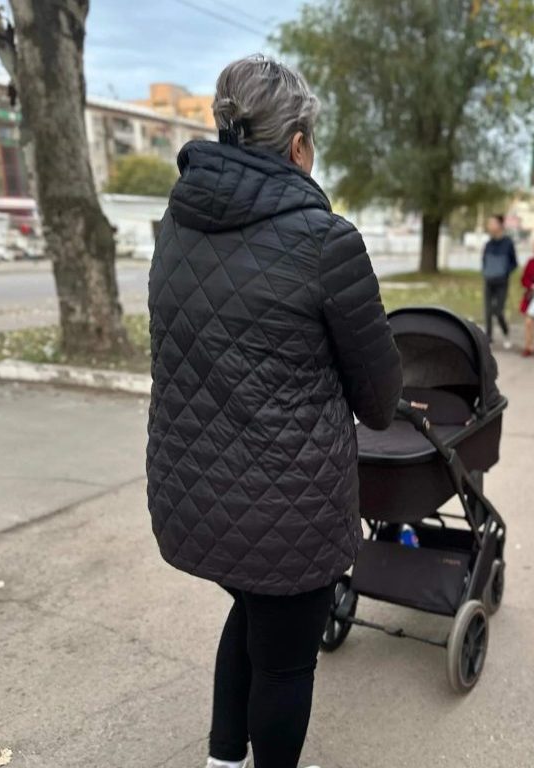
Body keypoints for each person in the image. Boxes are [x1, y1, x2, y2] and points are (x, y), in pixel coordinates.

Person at [146, 55, 403, 768]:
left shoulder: (175, 225)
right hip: (289, 506)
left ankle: (225, 759)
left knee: (252, 608)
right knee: (286, 662)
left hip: (193, 492)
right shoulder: (325, 241)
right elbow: (379, 400)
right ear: (297, 145)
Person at [482, 213, 518, 348]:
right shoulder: (488, 244)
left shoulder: (508, 243)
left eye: (492, 223)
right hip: (488, 280)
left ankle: (506, 332)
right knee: (488, 311)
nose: (489, 226)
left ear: (500, 225)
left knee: (498, 311)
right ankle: (488, 338)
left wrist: (504, 272)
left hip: (502, 282)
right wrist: (486, 272)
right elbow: (484, 261)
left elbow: (514, 263)